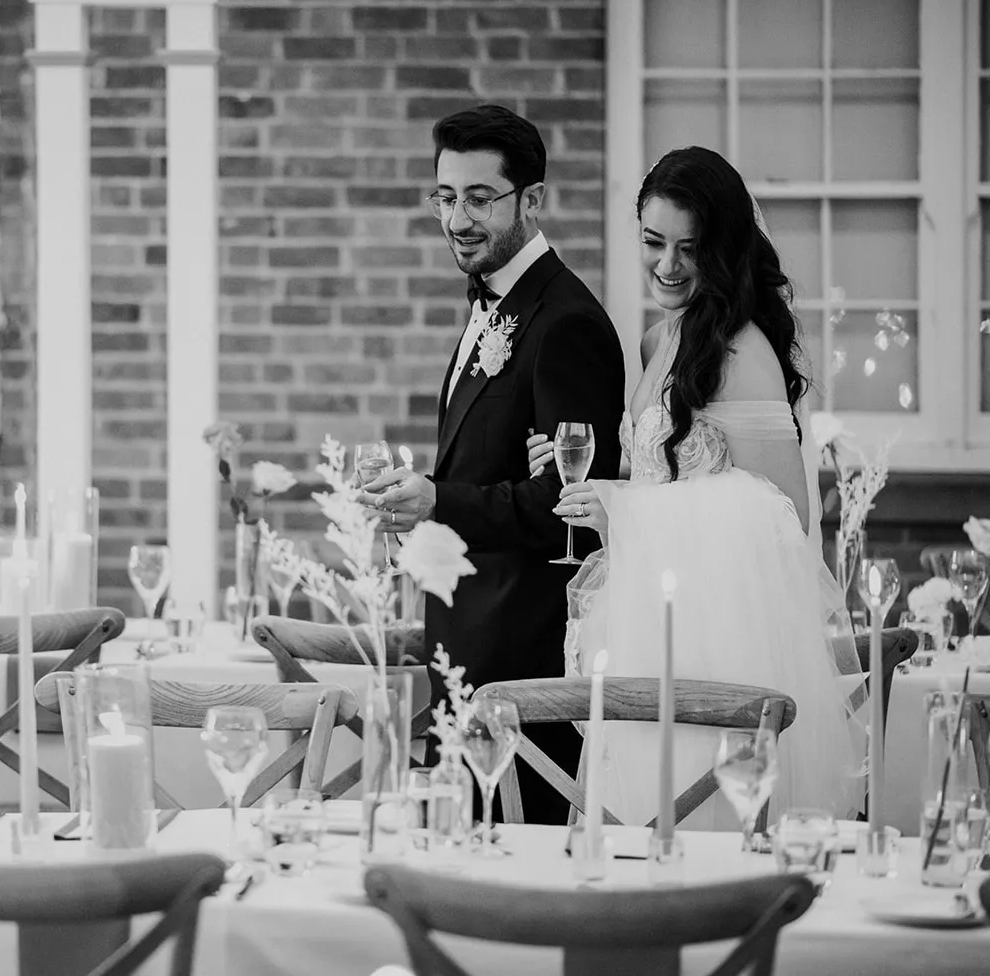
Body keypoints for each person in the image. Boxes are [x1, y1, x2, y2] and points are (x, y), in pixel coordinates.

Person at [527, 145, 863, 828]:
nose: (668, 265)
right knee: (638, 822)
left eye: (690, 247)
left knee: (699, 823)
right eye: (654, 242)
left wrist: (627, 511)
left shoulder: (745, 349)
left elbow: (782, 511)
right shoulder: (658, 341)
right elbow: (670, 473)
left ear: (725, 249)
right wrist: (599, 489)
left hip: (720, 635)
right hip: (648, 616)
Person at [360, 104, 625, 824]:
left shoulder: (565, 322)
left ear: (531, 199)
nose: (457, 219)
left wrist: (437, 500)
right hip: (469, 654)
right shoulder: (494, 305)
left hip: (523, 664)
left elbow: (570, 509)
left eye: (479, 198)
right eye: (445, 198)